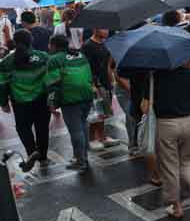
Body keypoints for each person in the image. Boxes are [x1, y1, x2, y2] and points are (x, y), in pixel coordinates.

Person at [142, 62, 190, 219]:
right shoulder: (189, 72)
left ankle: (176, 207)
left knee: (170, 165)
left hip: (166, 124)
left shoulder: (153, 76)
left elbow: (145, 108)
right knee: (186, 161)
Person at [0, 29, 51, 172]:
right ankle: (43, 158)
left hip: (20, 102)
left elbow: (2, 84)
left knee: (23, 127)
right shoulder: (43, 57)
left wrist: (3, 102)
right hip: (42, 99)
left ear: (15, 42)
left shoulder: (7, 61)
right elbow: (51, 78)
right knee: (42, 128)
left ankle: (31, 151)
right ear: (31, 41)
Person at [46, 34, 94, 171]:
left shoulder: (54, 60)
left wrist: (52, 103)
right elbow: (89, 75)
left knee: (76, 130)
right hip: (86, 95)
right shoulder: (80, 55)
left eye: (50, 45)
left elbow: (52, 84)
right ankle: (83, 156)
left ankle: (80, 161)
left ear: (54, 46)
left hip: (70, 99)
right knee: (83, 125)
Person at [82, 28, 115, 150]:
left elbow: (108, 64)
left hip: (105, 81)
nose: (106, 31)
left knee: (104, 111)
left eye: (107, 28)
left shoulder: (106, 43)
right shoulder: (87, 46)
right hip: (95, 83)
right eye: (103, 28)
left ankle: (102, 137)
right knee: (95, 112)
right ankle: (92, 139)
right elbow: (86, 66)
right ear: (95, 29)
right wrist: (93, 84)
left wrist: (110, 79)